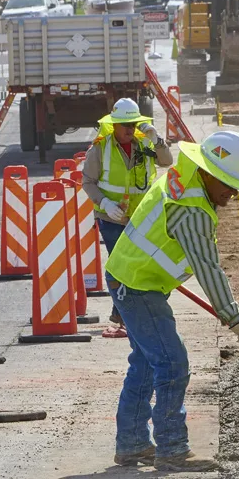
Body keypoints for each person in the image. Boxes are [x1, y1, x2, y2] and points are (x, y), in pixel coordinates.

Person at [105, 130, 239, 472]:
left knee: (147, 363)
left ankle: (133, 444)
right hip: (138, 286)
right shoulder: (191, 208)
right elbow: (208, 269)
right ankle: (171, 449)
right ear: (208, 173)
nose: (234, 190)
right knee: (172, 362)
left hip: (130, 278)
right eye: (228, 182)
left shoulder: (184, 180)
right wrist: (237, 323)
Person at [81, 98, 173, 338]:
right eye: (125, 125)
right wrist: (104, 203)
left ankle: (125, 315)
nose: (130, 129)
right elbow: (87, 182)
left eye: (133, 124)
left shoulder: (144, 144)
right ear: (114, 126)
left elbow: (167, 161)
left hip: (140, 217)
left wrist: (157, 140)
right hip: (112, 218)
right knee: (119, 266)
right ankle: (121, 316)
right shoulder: (100, 148)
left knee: (139, 265)